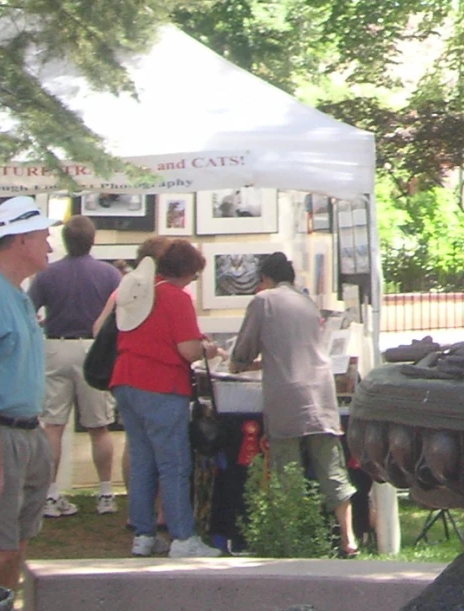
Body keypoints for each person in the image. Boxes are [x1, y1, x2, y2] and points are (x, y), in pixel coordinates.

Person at [0, 197, 59, 611]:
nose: (50, 243)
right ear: (22, 240)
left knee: (15, 546)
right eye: (43, 235)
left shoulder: (19, 293)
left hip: (28, 432)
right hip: (1, 433)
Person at [229, 252, 357, 556]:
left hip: (287, 393)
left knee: (287, 468)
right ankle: (348, 538)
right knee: (331, 468)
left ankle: (292, 536)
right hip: (321, 393)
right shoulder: (307, 303)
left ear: (264, 279)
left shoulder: (263, 301)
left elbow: (244, 349)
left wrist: (236, 363)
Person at [109, 237, 220, 558]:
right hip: (159, 385)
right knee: (173, 463)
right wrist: (208, 349)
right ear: (188, 272)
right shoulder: (176, 298)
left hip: (125, 380)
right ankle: (183, 538)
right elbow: (187, 349)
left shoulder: (139, 290)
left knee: (143, 460)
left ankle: (143, 535)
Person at [29, 213, 120, 518]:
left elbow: (30, 310)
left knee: (52, 425)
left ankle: (51, 495)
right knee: (99, 425)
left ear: (64, 241)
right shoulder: (109, 275)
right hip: (92, 349)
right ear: (92, 240)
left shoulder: (46, 274)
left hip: (55, 345)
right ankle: (105, 492)